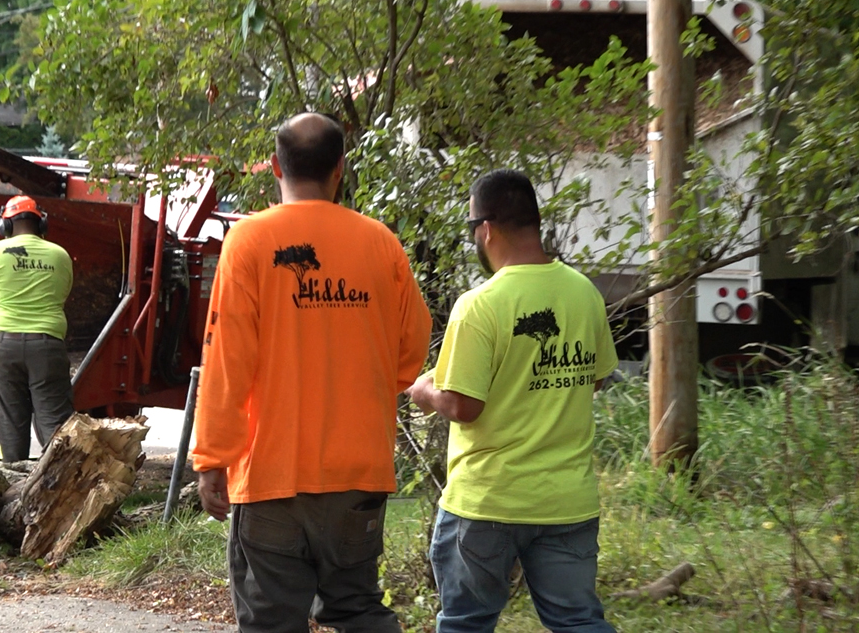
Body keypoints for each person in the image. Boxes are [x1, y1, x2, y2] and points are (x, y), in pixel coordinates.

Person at [191, 112, 433, 633]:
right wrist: (361, 382)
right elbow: (412, 349)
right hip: (358, 474)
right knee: (357, 609)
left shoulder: (250, 242)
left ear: (275, 166)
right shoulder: (380, 243)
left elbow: (228, 360)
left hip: (272, 477)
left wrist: (212, 458)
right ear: (340, 169)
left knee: (271, 621)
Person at [406, 169, 619, 633]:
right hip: (567, 502)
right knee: (580, 622)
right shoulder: (584, 294)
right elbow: (595, 379)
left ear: (485, 229)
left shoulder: (480, 305)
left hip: (487, 503)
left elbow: (465, 406)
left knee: (466, 624)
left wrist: (424, 391)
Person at [0, 194, 74, 463]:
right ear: (41, 224)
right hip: (48, 345)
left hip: (3, 347)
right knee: (55, 424)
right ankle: (62, 487)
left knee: (10, 420)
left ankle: (14, 484)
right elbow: (63, 294)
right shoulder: (60, 255)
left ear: (5, 225)